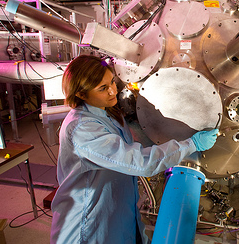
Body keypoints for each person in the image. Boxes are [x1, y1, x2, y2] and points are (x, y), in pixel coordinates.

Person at [50, 55, 218, 244]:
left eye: (112, 82)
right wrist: (191, 144)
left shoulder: (107, 112)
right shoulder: (83, 129)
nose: (113, 90)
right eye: (103, 88)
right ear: (81, 94)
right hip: (90, 223)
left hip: (119, 210)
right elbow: (139, 162)